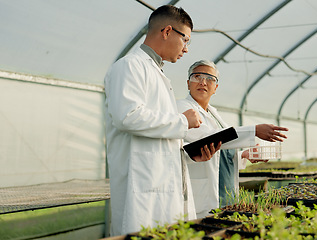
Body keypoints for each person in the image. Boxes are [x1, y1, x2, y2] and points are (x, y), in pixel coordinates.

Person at [104, 6, 220, 236]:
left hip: (160, 185)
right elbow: (127, 117)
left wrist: (185, 153)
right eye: (185, 40)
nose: (186, 49)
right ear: (167, 31)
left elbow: (158, 132)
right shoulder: (129, 67)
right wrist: (183, 122)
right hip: (141, 187)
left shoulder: (157, 73)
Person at [177, 60, 288, 218]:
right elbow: (206, 138)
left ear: (215, 88)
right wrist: (254, 130)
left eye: (210, 78)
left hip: (226, 191)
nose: (203, 82)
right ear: (188, 83)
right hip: (203, 194)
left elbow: (224, 150)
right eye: (197, 76)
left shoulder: (215, 114)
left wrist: (243, 156)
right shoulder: (181, 107)